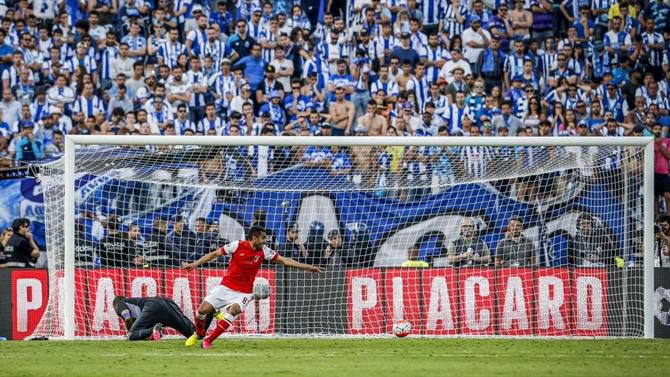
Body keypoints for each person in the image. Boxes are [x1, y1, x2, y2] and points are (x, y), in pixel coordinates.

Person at [182, 226, 322, 348]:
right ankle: (200, 332)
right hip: (225, 287)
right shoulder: (236, 245)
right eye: (263, 238)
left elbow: (284, 261)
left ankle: (208, 341)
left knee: (234, 310)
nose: (265, 241)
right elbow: (214, 254)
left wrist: (308, 268)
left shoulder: (264, 251)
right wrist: (194, 264)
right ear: (254, 238)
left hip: (244, 292)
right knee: (201, 310)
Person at [112, 296, 209, 341]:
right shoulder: (137, 308)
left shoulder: (121, 303)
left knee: (131, 335)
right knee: (196, 335)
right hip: (168, 303)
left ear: (115, 306)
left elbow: (127, 318)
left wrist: (130, 332)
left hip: (152, 306)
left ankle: (153, 330)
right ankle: (210, 312)